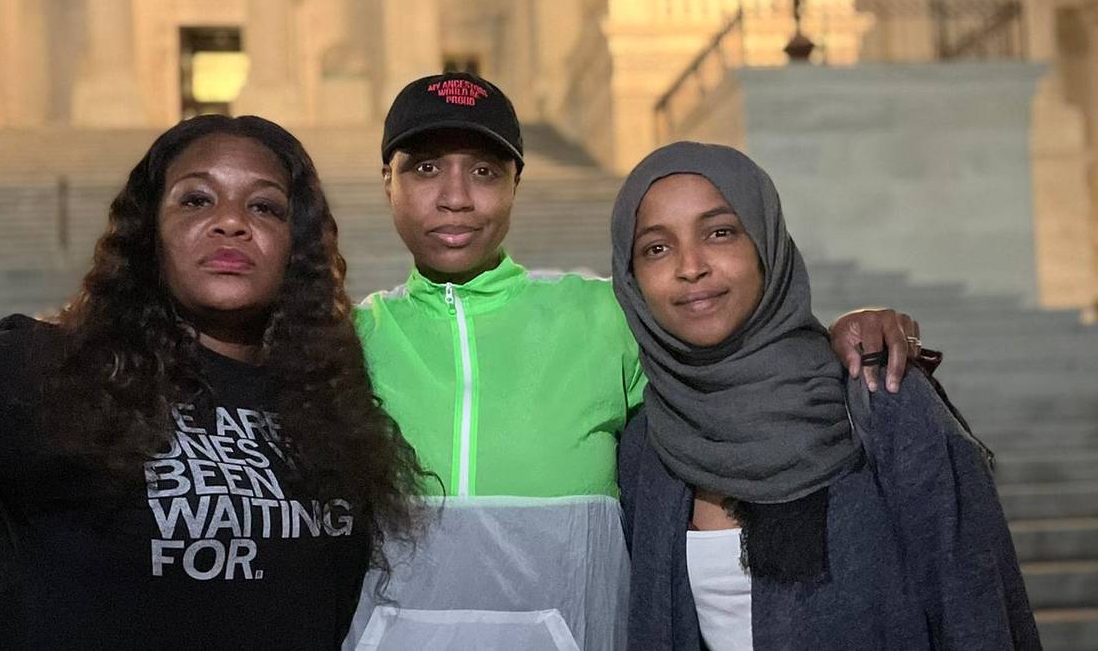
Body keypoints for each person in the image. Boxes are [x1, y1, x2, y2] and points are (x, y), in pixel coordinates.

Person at [344, 73, 923, 648]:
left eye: (484, 171)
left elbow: (733, 356)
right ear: (386, 183)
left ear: (516, 183)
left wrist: (843, 332)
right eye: (424, 169)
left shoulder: (605, 312)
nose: (456, 197)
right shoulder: (351, 338)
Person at [0, 115, 428, 650]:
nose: (232, 221)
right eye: (196, 199)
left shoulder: (330, 403)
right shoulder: (41, 372)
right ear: (149, 232)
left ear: (294, 246)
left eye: (266, 207)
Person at [612, 142, 1039, 650]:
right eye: (656, 248)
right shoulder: (648, 443)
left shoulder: (881, 397)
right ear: (632, 278)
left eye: (720, 232)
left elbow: (975, 613)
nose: (691, 266)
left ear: (765, 246)